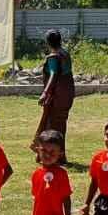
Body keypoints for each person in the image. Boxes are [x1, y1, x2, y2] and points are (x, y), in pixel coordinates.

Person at [31, 29, 75, 163]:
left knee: (50, 125)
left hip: (56, 96)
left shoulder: (53, 57)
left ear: (47, 42)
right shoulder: (65, 54)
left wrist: (45, 93)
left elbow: (53, 74)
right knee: (60, 125)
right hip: (67, 95)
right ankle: (55, 155)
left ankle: (52, 156)